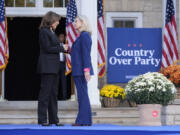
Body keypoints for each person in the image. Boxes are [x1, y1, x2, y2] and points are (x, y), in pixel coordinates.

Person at [37, 11, 68, 126]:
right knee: (45, 94)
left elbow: (53, 47)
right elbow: (47, 48)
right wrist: (61, 47)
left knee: (53, 94)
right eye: (57, 20)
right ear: (51, 20)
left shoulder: (52, 32)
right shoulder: (44, 32)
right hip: (47, 67)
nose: (58, 22)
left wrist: (63, 48)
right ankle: (42, 119)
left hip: (54, 68)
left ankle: (54, 119)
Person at [70, 15, 94, 126]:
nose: (74, 23)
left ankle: (82, 121)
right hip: (78, 70)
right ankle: (86, 120)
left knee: (82, 95)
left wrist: (86, 70)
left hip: (81, 71)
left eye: (76, 21)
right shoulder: (81, 36)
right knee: (82, 95)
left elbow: (86, 55)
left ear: (82, 22)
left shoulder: (84, 36)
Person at [58, 33, 67, 100]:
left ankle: (64, 97)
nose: (62, 38)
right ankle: (55, 96)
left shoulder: (65, 46)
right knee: (56, 81)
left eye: (63, 37)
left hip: (63, 65)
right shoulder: (56, 46)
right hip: (57, 65)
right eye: (60, 37)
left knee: (63, 82)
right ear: (58, 38)